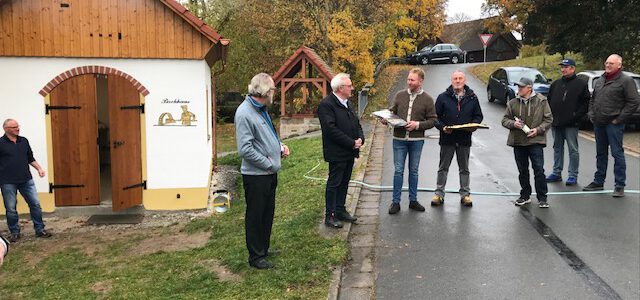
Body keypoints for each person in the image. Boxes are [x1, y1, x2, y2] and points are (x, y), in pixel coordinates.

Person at [235, 73, 290, 269]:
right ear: (265, 91)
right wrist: (268, 163)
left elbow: (267, 137)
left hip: (268, 173)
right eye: (273, 89)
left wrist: (279, 147)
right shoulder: (245, 113)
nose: (274, 93)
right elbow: (245, 149)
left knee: (267, 214)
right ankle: (255, 257)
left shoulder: (261, 109)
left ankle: (263, 249)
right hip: (256, 176)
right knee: (256, 215)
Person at [583, 54, 640, 197]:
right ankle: (598, 181)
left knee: (617, 153)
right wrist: (591, 114)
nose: (607, 65)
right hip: (599, 122)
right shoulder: (600, 79)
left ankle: (619, 185)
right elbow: (593, 98)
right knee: (600, 154)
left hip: (614, 124)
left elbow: (633, 102)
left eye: (611, 63)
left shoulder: (626, 80)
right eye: (607, 63)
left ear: (619, 65)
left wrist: (619, 119)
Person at [384, 68, 437, 214]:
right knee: (398, 171)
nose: (409, 82)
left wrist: (417, 125)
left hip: (416, 140)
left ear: (420, 81)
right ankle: (396, 202)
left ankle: (413, 200)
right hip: (399, 139)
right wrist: (386, 119)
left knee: (413, 171)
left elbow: (433, 120)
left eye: (412, 80)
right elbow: (392, 112)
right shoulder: (400, 95)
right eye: (408, 79)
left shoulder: (428, 99)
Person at [318, 73, 364, 228]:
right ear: (340, 88)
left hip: (350, 151)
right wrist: (351, 142)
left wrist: (360, 138)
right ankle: (330, 215)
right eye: (349, 86)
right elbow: (330, 130)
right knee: (334, 183)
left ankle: (340, 209)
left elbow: (356, 123)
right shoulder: (327, 105)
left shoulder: (347, 103)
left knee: (345, 182)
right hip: (337, 152)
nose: (352, 88)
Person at [432, 71, 483, 207]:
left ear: (464, 81)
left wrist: (474, 125)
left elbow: (478, 116)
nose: (458, 81)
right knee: (443, 168)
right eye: (455, 78)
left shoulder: (472, 98)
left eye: (460, 78)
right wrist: (442, 128)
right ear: (452, 80)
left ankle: (465, 195)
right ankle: (439, 194)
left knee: (464, 169)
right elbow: (434, 117)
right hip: (447, 138)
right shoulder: (443, 97)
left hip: (464, 138)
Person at [501, 78, 553, 208]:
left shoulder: (542, 101)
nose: (519, 89)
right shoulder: (512, 103)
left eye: (522, 87)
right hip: (518, 141)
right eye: (518, 86)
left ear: (529, 88)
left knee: (539, 169)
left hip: (536, 140)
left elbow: (548, 120)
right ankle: (525, 195)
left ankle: (542, 198)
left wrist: (538, 130)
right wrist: (514, 124)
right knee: (522, 170)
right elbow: (504, 120)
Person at [1, 119, 53, 242]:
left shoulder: (23, 141)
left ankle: (40, 230)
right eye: (14, 127)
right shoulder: (0, 143)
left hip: (26, 179)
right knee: (11, 208)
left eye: (18, 126)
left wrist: (39, 169)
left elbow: (30, 158)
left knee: (35, 204)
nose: (17, 128)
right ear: (6, 129)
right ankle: (15, 232)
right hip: (7, 181)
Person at [545, 59, 589, 186]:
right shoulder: (556, 84)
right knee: (557, 148)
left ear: (573, 68)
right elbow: (549, 100)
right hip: (556, 123)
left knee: (573, 149)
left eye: (566, 67)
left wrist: (576, 116)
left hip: (571, 124)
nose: (563, 69)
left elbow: (586, 103)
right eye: (562, 67)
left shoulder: (581, 84)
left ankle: (572, 175)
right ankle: (556, 172)